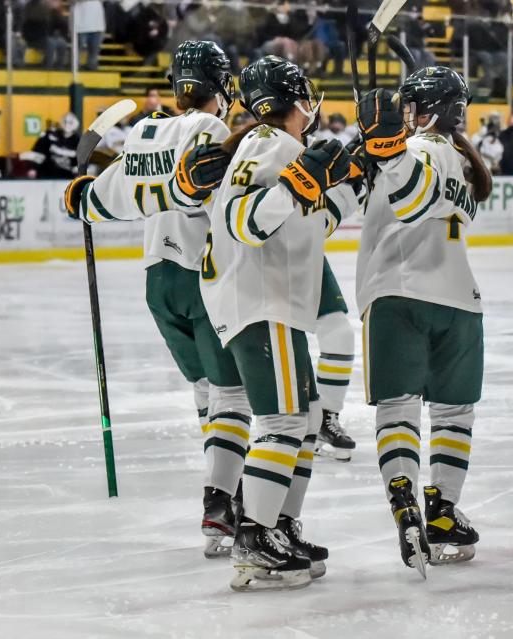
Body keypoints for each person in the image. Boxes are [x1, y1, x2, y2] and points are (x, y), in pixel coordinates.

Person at [64, 41, 251, 559]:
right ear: (220, 86)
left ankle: (225, 484)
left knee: (203, 390)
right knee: (231, 394)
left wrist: (78, 193)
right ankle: (220, 503)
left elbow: (101, 202)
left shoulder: (145, 130)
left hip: (158, 282)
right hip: (201, 277)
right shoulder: (211, 129)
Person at [196, 56, 358, 591]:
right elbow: (247, 220)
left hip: (262, 302)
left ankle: (279, 524)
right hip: (262, 304)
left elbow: (310, 225)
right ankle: (257, 534)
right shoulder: (273, 144)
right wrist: (299, 182)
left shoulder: (270, 147)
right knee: (286, 421)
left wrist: (356, 176)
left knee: (307, 416)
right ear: (295, 98)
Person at [354, 67, 491, 575]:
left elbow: (411, 201)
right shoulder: (466, 162)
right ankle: (442, 512)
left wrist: (384, 148)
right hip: (459, 300)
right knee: (455, 414)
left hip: (398, 295)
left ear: (430, 111)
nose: (405, 116)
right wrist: (377, 152)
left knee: (398, 410)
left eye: (412, 108)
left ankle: (405, 504)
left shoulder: (423, 152)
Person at [27, 112, 79, 179]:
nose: (67, 124)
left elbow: (82, 160)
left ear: (76, 124)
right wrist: (33, 168)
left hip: (67, 176)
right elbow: (38, 151)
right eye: (65, 121)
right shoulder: (50, 135)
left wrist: (78, 170)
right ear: (61, 122)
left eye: (70, 122)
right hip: (46, 172)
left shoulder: (79, 140)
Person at [72, 0, 104, 70]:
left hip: (97, 24)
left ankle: (91, 70)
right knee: (76, 52)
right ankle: (75, 70)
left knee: (94, 54)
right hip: (80, 25)